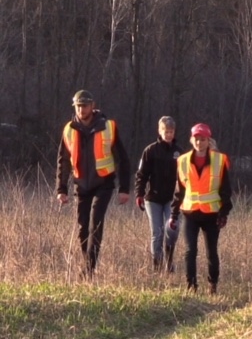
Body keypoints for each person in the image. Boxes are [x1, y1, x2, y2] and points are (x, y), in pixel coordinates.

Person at [56, 89, 131, 279]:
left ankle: (88, 270)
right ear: (75, 107)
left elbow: (122, 159)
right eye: (78, 106)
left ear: (93, 106)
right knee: (82, 228)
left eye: (85, 105)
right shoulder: (68, 130)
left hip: (104, 184)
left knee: (95, 223)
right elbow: (63, 161)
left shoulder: (109, 127)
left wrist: (124, 188)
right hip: (80, 185)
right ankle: (88, 263)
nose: (82, 109)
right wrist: (61, 188)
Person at [169, 123, 232, 294]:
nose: (199, 142)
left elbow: (226, 189)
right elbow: (179, 190)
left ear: (208, 141)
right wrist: (173, 214)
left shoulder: (220, 160)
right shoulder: (182, 161)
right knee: (190, 250)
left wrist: (224, 213)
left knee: (211, 251)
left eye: (202, 139)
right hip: (190, 212)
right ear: (191, 140)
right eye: (196, 139)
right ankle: (191, 286)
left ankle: (213, 285)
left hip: (212, 214)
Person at [134, 116, 185, 273]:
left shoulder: (179, 153)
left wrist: (184, 197)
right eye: (165, 131)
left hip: (172, 200)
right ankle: (157, 265)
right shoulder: (150, 151)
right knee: (157, 232)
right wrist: (139, 194)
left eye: (171, 132)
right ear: (159, 131)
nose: (168, 134)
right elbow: (141, 175)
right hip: (153, 199)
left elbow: (184, 178)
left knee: (172, 230)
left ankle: (169, 262)